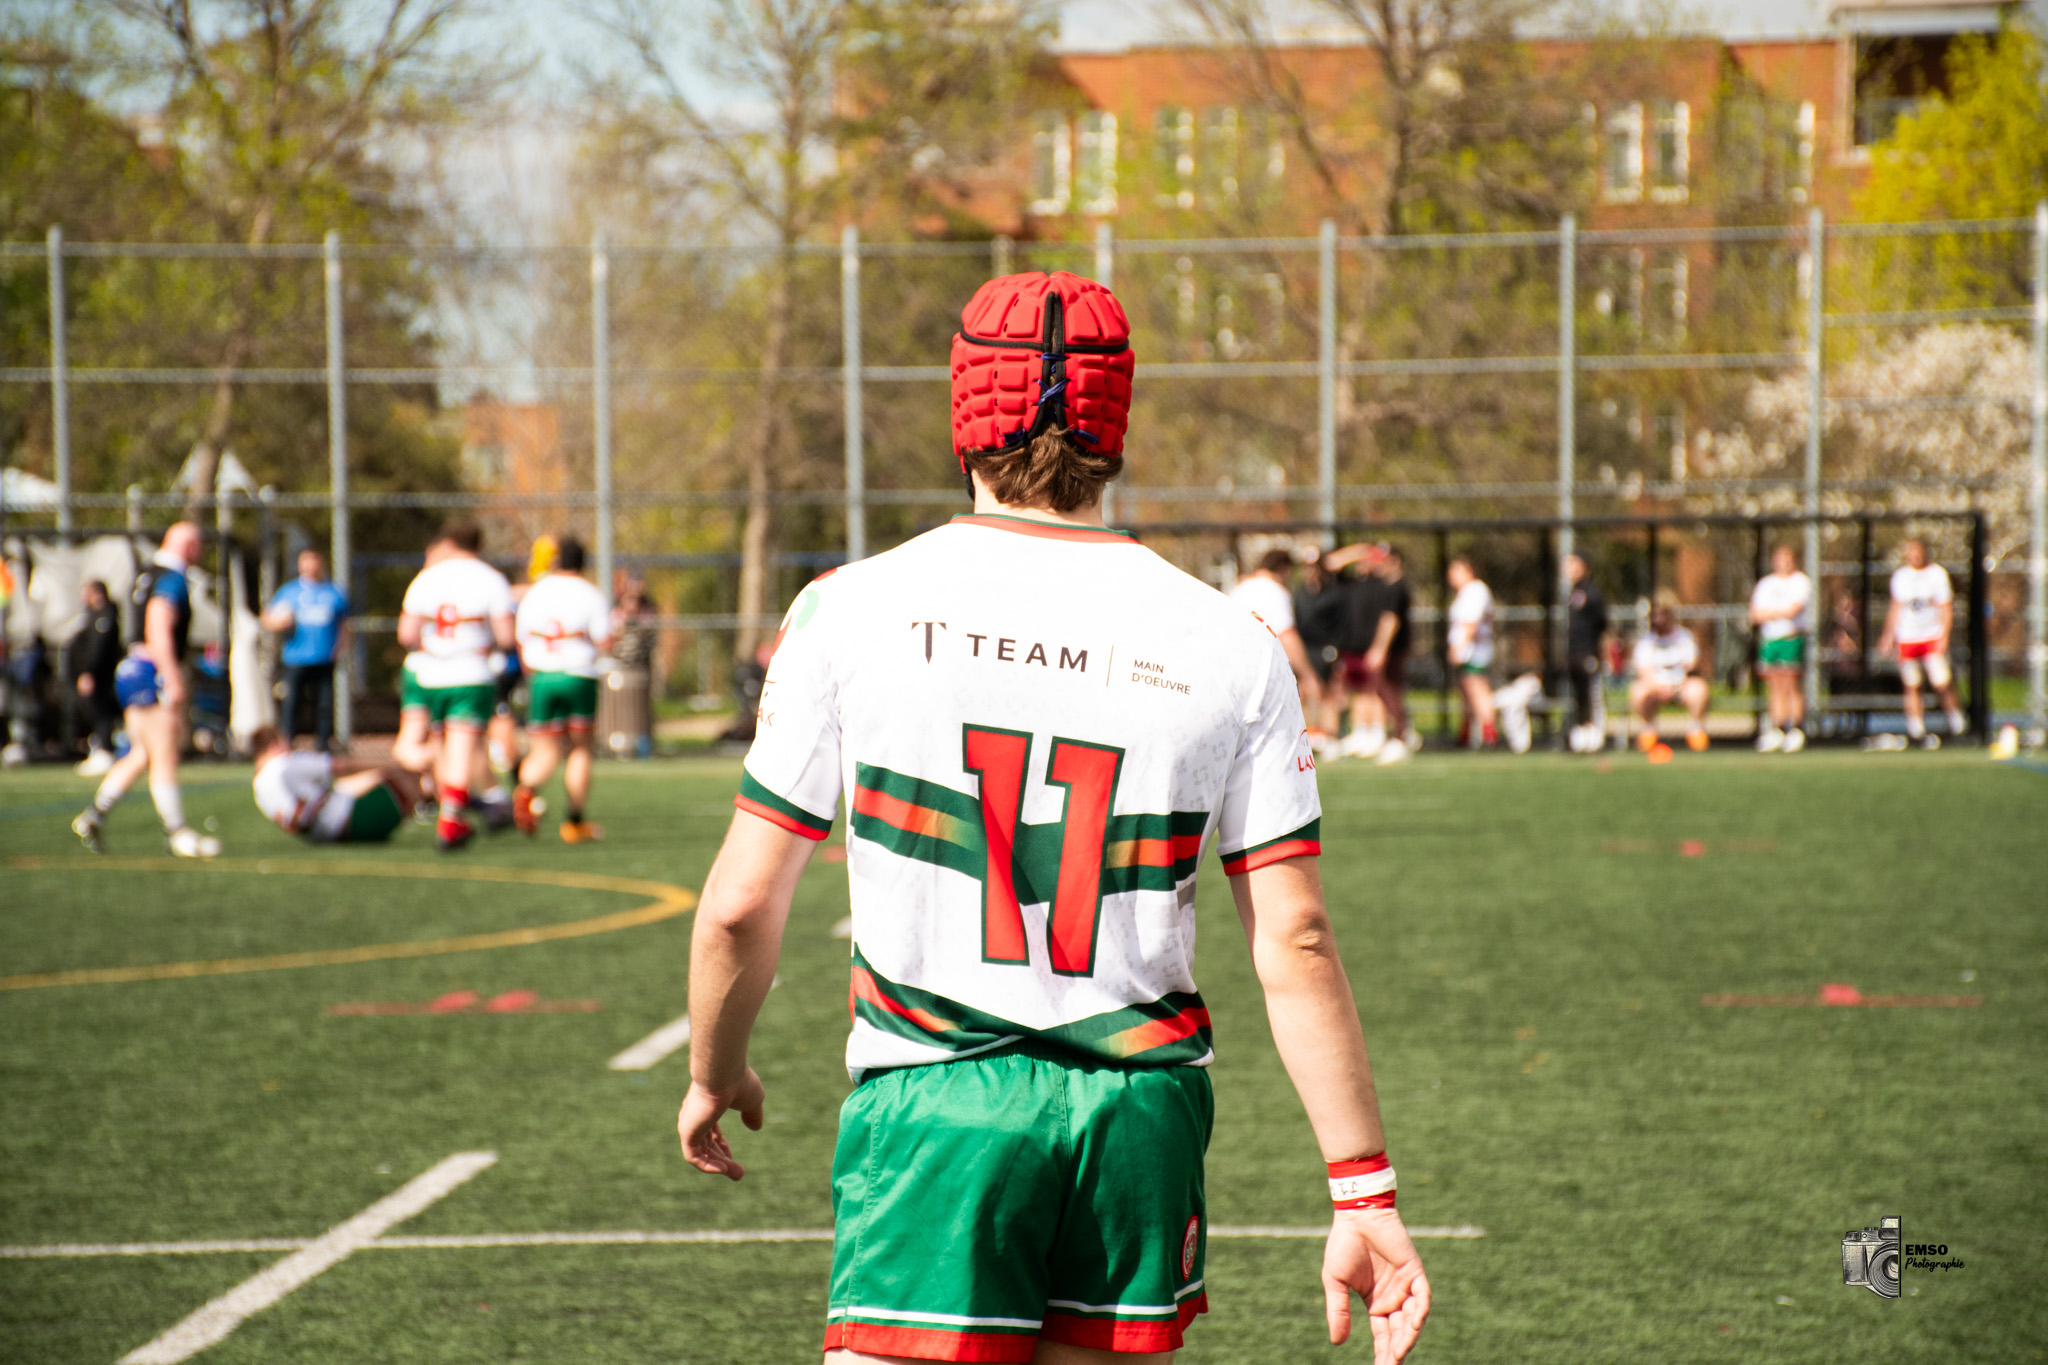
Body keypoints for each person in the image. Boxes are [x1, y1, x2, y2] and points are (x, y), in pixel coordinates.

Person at [676, 271, 1430, 1364]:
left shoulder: (848, 610)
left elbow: (740, 907)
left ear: (964, 410)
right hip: (1137, 1120)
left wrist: (714, 1070)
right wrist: (1362, 1189)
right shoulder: (1231, 644)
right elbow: (1295, 936)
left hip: (938, 1101)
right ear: (1115, 422)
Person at [71, 523, 221, 858]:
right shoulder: (171, 577)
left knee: (140, 753)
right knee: (165, 753)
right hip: (152, 670)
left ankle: (94, 815)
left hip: (131, 668)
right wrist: (172, 674)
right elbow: (158, 624)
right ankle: (177, 833)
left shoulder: (147, 574)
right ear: (190, 547)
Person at [396, 521, 515, 851]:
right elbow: (506, 637)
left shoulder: (427, 577)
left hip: (430, 674)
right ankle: (451, 822)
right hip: (471, 674)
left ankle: (460, 810)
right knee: (461, 748)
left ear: (449, 542)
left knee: (436, 743)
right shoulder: (491, 579)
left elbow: (406, 635)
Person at [513, 534, 613, 843]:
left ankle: (525, 791)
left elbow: (521, 641)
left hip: (542, 676)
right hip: (578, 675)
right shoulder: (590, 594)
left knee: (545, 749)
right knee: (580, 748)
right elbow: (605, 641)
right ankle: (574, 822)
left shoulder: (535, 593)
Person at [248, 724, 420, 843]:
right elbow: (339, 765)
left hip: (324, 835)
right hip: (350, 820)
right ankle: (430, 802)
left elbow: (292, 826)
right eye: (285, 741)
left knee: (345, 785)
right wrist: (385, 763)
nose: (289, 746)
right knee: (401, 776)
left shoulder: (258, 791)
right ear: (274, 745)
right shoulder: (283, 764)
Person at [1878, 538, 1965, 748]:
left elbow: (1945, 608)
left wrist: (1944, 636)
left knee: (1941, 682)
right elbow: (1896, 607)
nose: (1914, 556)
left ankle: (1958, 723)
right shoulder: (1901, 576)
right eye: (1910, 552)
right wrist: (1888, 636)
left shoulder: (1936, 574)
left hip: (1931, 635)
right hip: (1907, 637)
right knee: (1912, 684)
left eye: (1917, 551)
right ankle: (1916, 729)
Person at [262, 548, 350, 752]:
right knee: (292, 702)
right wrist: (279, 622)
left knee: (324, 704)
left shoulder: (334, 592)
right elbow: (267, 619)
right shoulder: (289, 592)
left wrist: (341, 650)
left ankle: (323, 745)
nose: (310, 566)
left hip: (323, 657)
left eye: (314, 560)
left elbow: (344, 626)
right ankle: (287, 744)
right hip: (296, 658)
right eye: (306, 561)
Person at [1227, 548, 1320, 721]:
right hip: (1262, 673)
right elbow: (1287, 635)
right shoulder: (1275, 591)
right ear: (1283, 569)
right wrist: (1308, 674)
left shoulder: (1240, 588)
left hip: (1235, 670)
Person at [1749, 544, 1812, 753]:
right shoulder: (1766, 584)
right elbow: (1755, 614)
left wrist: (1771, 613)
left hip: (1791, 638)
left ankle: (1795, 729)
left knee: (1791, 682)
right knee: (1774, 685)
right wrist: (1777, 613)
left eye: (1787, 557)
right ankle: (1776, 729)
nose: (1783, 562)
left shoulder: (1800, 581)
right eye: (1779, 557)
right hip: (1770, 640)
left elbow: (1794, 610)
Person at [1630, 602, 1710, 754]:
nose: (1659, 620)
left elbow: (1691, 666)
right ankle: (1649, 731)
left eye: (1663, 615)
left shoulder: (1685, 638)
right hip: (1655, 687)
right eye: (1655, 616)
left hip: (1681, 686)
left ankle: (1695, 731)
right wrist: (1657, 687)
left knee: (1699, 689)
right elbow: (1644, 671)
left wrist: (1676, 686)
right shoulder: (1646, 641)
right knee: (1638, 691)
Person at [1292, 549, 1349, 750]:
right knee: (1304, 692)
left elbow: (1341, 624)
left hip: (1326, 649)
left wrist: (1336, 651)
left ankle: (1330, 736)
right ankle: (1307, 737)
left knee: (1328, 694)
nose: (1310, 571)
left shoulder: (1334, 592)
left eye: (1314, 567)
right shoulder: (1300, 592)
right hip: (1305, 648)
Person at [67, 579, 123, 774]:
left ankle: (105, 751)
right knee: (93, 711)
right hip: (91, 675)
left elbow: (98, 648)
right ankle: (100, 748)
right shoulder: (90, 615)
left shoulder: (104, 617)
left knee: (102, 712)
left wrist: (88, 671)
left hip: (100, 676)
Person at [1367, 547, 1415, 764]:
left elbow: (1390, 621)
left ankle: (1401, 735)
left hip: (1394, 649)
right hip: (1391, 649)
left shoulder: (1397, 587)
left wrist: (1379, 649)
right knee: (1384, 689)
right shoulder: (1387, 586)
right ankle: (1402, 732)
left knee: (1389, 689)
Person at [1445, 556, 1497, 749]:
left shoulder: (1476, 590)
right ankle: (1468, 732)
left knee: (1477, 688)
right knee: (1466, 690)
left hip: (1475, 650)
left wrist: (1459, 648)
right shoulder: (1464, 592)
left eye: (1455, 570)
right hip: (1468, 650)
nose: (1451, 575)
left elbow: (1471, 623)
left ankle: (1489, 733)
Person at [1563, 553, 1607, 754]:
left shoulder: (1593, 592)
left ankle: (1596, 735)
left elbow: (1602, 623)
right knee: (1578, 696)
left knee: (1593, 695)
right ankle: (1580, 734)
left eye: (1574, 563)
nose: (1570, 568)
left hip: (1589, 652)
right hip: (1574, 653)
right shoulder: (1572, 593)